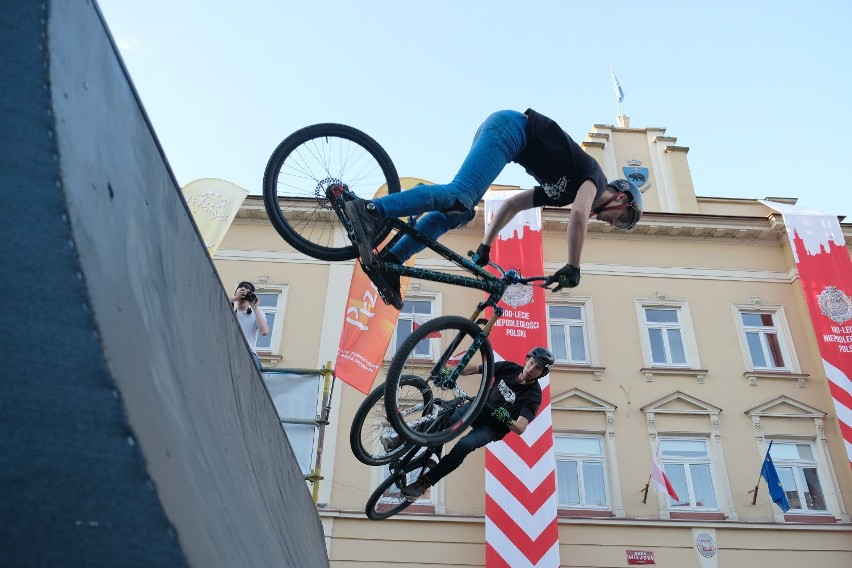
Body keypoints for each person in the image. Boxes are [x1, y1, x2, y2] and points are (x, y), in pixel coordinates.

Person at [344, 109, 644, 309]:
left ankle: (393, 259)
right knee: (460, 194)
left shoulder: (565, 193)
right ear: (621, 199)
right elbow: (579, 216)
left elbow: (513, 205)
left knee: (460, 211)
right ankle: (371, 211)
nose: (610, 223)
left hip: (504, 135)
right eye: (620, 220)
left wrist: (486, 245)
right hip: (512, 130)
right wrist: (573, 266)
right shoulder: (596, 177)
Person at [399, 347, 555, 501]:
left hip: (492, 428)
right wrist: (450, 372)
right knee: (447, 419)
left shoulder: (533, 396)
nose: (532, 368)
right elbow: (471, 370)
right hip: (478, 408)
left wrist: (507, 419)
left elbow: (520, 427)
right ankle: (402, 439)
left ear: (542, 373)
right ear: (527, 359)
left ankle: (422, 484)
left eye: (538, 368)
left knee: (464, 445)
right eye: (532, 363)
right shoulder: (509, 368)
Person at [231, 280, 270, 369]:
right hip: (230, 350)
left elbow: (264, 332)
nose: (244, 295)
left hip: (248, 352)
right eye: (241, 291)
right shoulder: (229, 309)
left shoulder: (255, 313)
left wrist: (255, 307)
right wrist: (235, 298)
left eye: (247, 294)